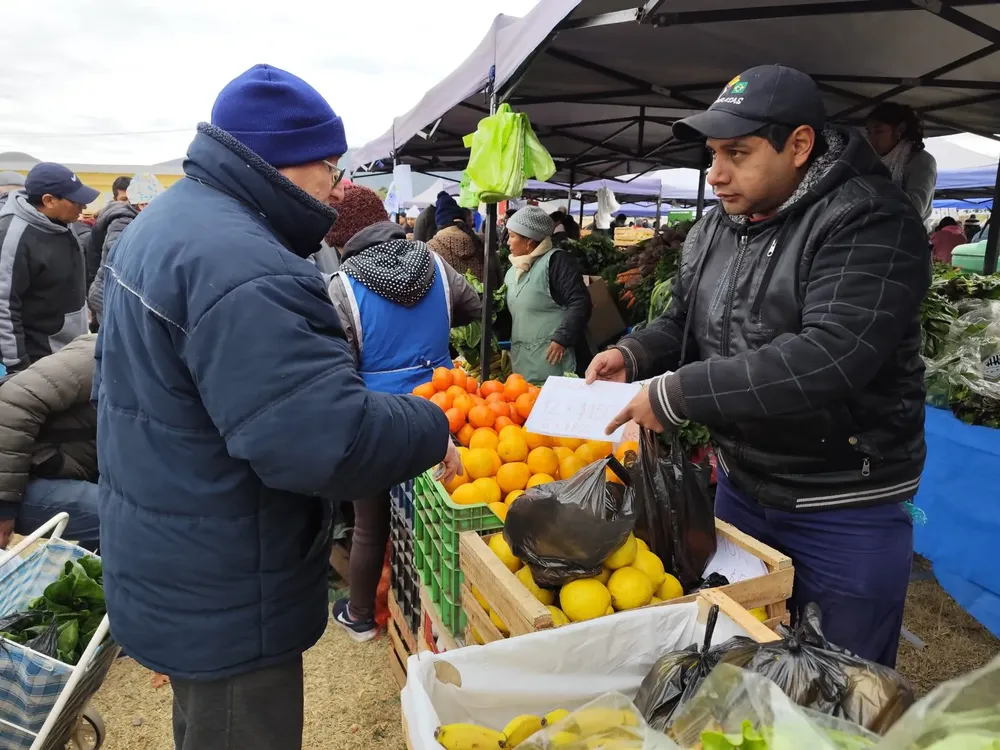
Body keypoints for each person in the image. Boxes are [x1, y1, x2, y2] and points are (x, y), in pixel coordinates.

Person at [93, 64, 460, 750]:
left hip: (186, 547)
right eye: (329, 165)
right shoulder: (245, 264)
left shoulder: (172, 222)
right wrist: (431, 423)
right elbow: (327, 442)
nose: (338, 185)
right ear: (284, 165)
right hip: (230, 573)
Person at [590, 65, 929, 668]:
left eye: (737, 153)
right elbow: (683, 320)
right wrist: (635, 353)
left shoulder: (872, 219)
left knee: (842, 688)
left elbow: (831, 354)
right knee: (740, 660)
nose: (715, 173)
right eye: (714, 153)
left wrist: (676, 394)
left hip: (843, 501)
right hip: (742, 487)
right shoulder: (716, 227)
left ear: (799, 145)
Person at [324, 184, 481, 640]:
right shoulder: (435, 263)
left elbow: (339, 358)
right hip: (445, 409)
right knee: (436, 519)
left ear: (340, 237)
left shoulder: (343, 285)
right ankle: (431, 621)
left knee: (371, 525)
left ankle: (360, 617)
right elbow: (472, 307)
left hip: (376, 417)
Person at [0, 334, 99, 550]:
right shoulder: (98, 356)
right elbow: (12, 402)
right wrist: (4, 508)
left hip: (47, 468)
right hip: (9, 478)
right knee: (129, 517)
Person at [0, 162, 96, 373]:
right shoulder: (14, 235)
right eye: (76, 201)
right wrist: (17, 367)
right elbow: (4, 307)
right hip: (38, 361)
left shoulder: (61, 224)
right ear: (49, 200)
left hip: (69, 350)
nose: (84, 208)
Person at [505, 206, 591, 384]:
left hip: (555, 368)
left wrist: (562, 338)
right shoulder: (513, 270)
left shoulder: (556, 262)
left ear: (528, 240)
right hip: (523, 365)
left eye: (512, 236)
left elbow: (580, 301)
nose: (507, 242)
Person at [87, 173, 164, 326]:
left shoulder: (139, 220)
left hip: (117, 295)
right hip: (108, 296)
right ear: (142, 204)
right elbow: (122, 257)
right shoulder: (123, 222)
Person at [866, 103, 937, 222]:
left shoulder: (920, 160)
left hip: (908, 236)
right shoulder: (872, 159)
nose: (871, 138)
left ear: (900, 129)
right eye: (869, 132)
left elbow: (916, 208)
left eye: (879, 131)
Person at [428, 191, 500, 286]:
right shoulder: (483, 241)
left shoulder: (431, 247)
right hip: (485, 298)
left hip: (451, 300)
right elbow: (498, 275)